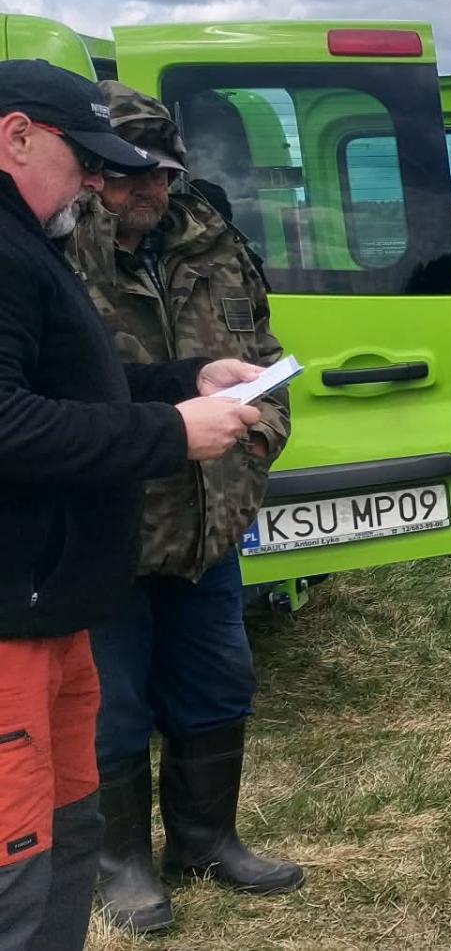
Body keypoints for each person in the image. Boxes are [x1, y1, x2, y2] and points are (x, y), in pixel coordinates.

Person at [0, 58, 262, 951]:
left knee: (63, 830)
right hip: (40, 585)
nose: (98, 182)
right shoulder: (27, 245)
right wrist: (170, 430)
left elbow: (85, 386)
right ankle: (125, 865)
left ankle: (201, 842)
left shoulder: (34, 239)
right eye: (89, 161)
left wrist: (191, 383)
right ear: (18, 136)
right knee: (26, 846)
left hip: (116, 563)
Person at [66, 82, 301, 933]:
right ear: (89, 171)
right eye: (131, 173)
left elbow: (262, 350)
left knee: (218, 682)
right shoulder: (54, 254)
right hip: (110, 530)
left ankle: (205, 839)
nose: (152, 190)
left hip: (210, 521)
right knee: (114, 703)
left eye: (164, 173)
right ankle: (119, 862)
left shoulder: (215, 243)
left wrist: (263, 435)